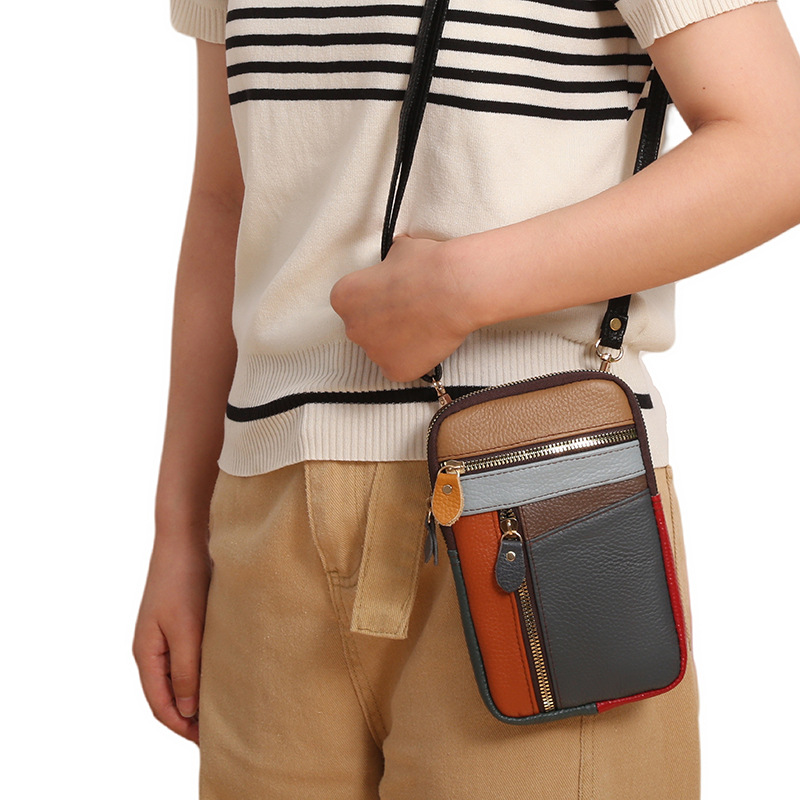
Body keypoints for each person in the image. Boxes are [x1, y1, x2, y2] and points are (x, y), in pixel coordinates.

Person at [133, 0, 800, 797]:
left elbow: (780, 144)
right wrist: (179, 531)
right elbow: (229, 196)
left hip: (544, 489)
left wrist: (465, 287)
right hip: (267, 512)